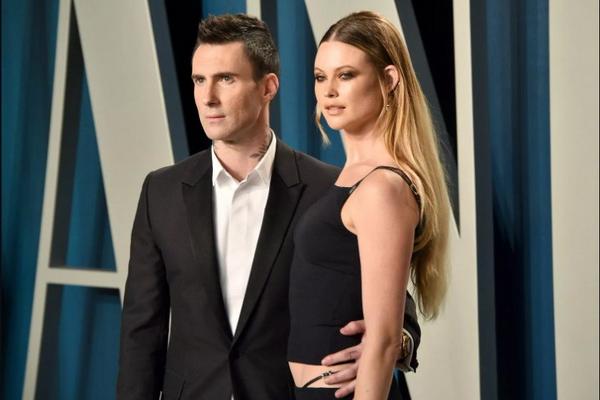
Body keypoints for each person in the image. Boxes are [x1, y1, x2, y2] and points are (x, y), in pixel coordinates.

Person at [116, 14, 420, 400]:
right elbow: (141, 331)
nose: (208, 97)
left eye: (226, 79)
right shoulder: (161, 192)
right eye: (199, 80)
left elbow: (396, 307)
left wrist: (395, 344)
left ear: (268, 87)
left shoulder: (328, 189)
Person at [287, 11, 450, 400]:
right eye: (320, 77)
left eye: (345, 75)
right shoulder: (350, 179)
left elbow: (384, 337)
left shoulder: (382, 188)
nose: (329, 91)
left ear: (388, 79)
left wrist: (394, 344)